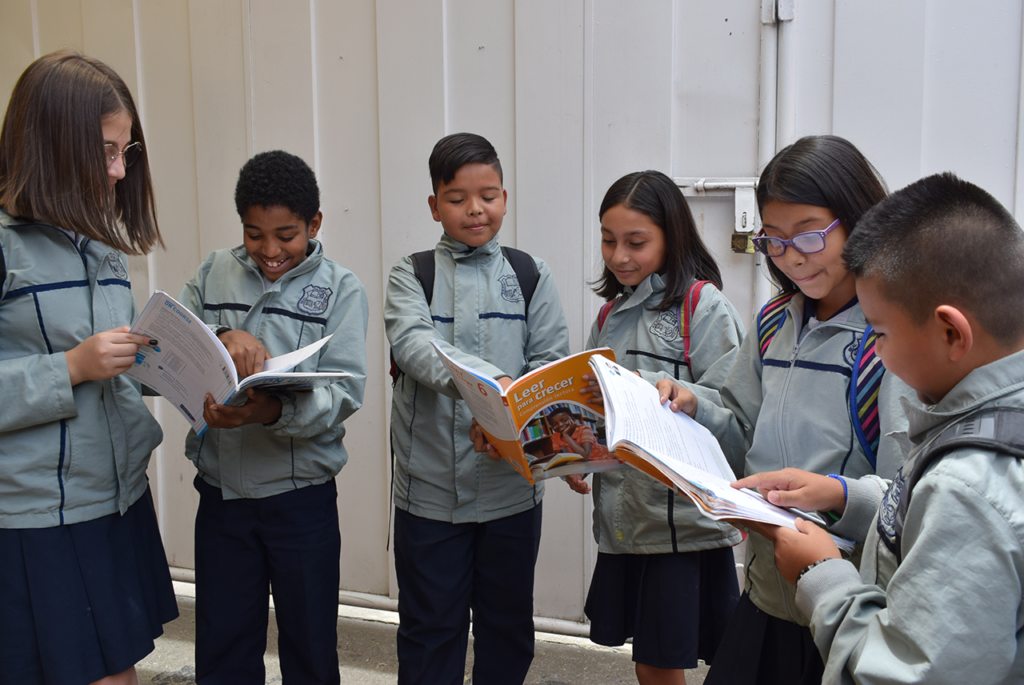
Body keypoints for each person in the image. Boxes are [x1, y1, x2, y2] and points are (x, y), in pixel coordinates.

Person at [734, 172, 1024, 684]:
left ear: (951, 332)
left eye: (882, 333)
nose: (878, 354)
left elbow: (905, 673)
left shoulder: (966, 487)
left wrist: (820, 576)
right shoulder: (981, 430)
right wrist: (846, 496)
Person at [656, 136, 916, 685]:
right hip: (766, 591)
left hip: (844, 602)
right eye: (773, 240)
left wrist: (838, 494)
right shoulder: (775, 321)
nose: (792, 256)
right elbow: (740, 429)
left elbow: (910, 497)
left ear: (859, 221)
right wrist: (692, 405)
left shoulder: (890, 342)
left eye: (810, 235)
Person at [0, 51, 176, 685]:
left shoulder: (98, 240)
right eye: (105, 151)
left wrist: (192, 372)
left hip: (114, 500)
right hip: (35, 517)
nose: (119, 171)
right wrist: (71, 367)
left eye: (126, 153)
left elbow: (113, 367)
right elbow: (81, 363)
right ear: (48, 143)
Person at [177, 150, 368, 684]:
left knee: (309, 647)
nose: (269, 250)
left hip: (300, 501)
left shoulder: (341, 288)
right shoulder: (213, 271)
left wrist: (274, 411)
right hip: (222, 497)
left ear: (315, 224)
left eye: (286, 235)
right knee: (224, 645)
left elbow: (346, 391)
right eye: (254, 234)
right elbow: (172, 342)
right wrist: (221, 336)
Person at [385, 132, 570, 685]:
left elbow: (550, 365)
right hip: (429, 494)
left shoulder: (531, 274)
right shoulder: (412, 273)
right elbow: (414, 346)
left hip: (512, 493)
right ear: (434, 205)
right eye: (457, 198)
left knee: (506, 630)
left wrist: (516, 415)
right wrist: (495, 391)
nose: (475, 209)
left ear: (505, 199)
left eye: (487, 196)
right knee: (429, 632)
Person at [566, 170, 745, 685]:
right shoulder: (609, 315)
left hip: (682, 529)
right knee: (649, 661)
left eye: (636, 242)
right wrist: (578, 454)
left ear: (672, 235)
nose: (619, 256)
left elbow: (735, 418)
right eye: (608, 240)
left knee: (662, 662)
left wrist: (690, 399)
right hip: (626, 523)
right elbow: (598, 408)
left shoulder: (703, 307)